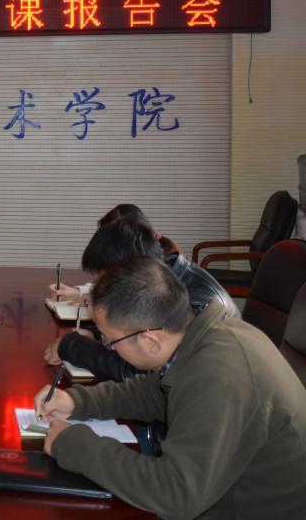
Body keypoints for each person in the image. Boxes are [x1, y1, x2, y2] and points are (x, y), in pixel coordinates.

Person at [35, 256, 306, 518]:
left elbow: (175, 493)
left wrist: (75, 445)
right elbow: (155, 391)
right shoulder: (206, 337)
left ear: (151, 341)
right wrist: (77, 401)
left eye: (109, 340)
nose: (109, 348)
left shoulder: (219, 376)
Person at [44, 218, 240, 381]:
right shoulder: (164, 280)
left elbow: (143, 375)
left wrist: (74, 347)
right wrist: (99, 334)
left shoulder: (195, 305)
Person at [49, 203, 178, 300]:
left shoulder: (165, 283)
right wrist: (78, 293)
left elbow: (129, 297)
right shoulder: (144, 264)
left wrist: (95, 303)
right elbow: (117, 287)